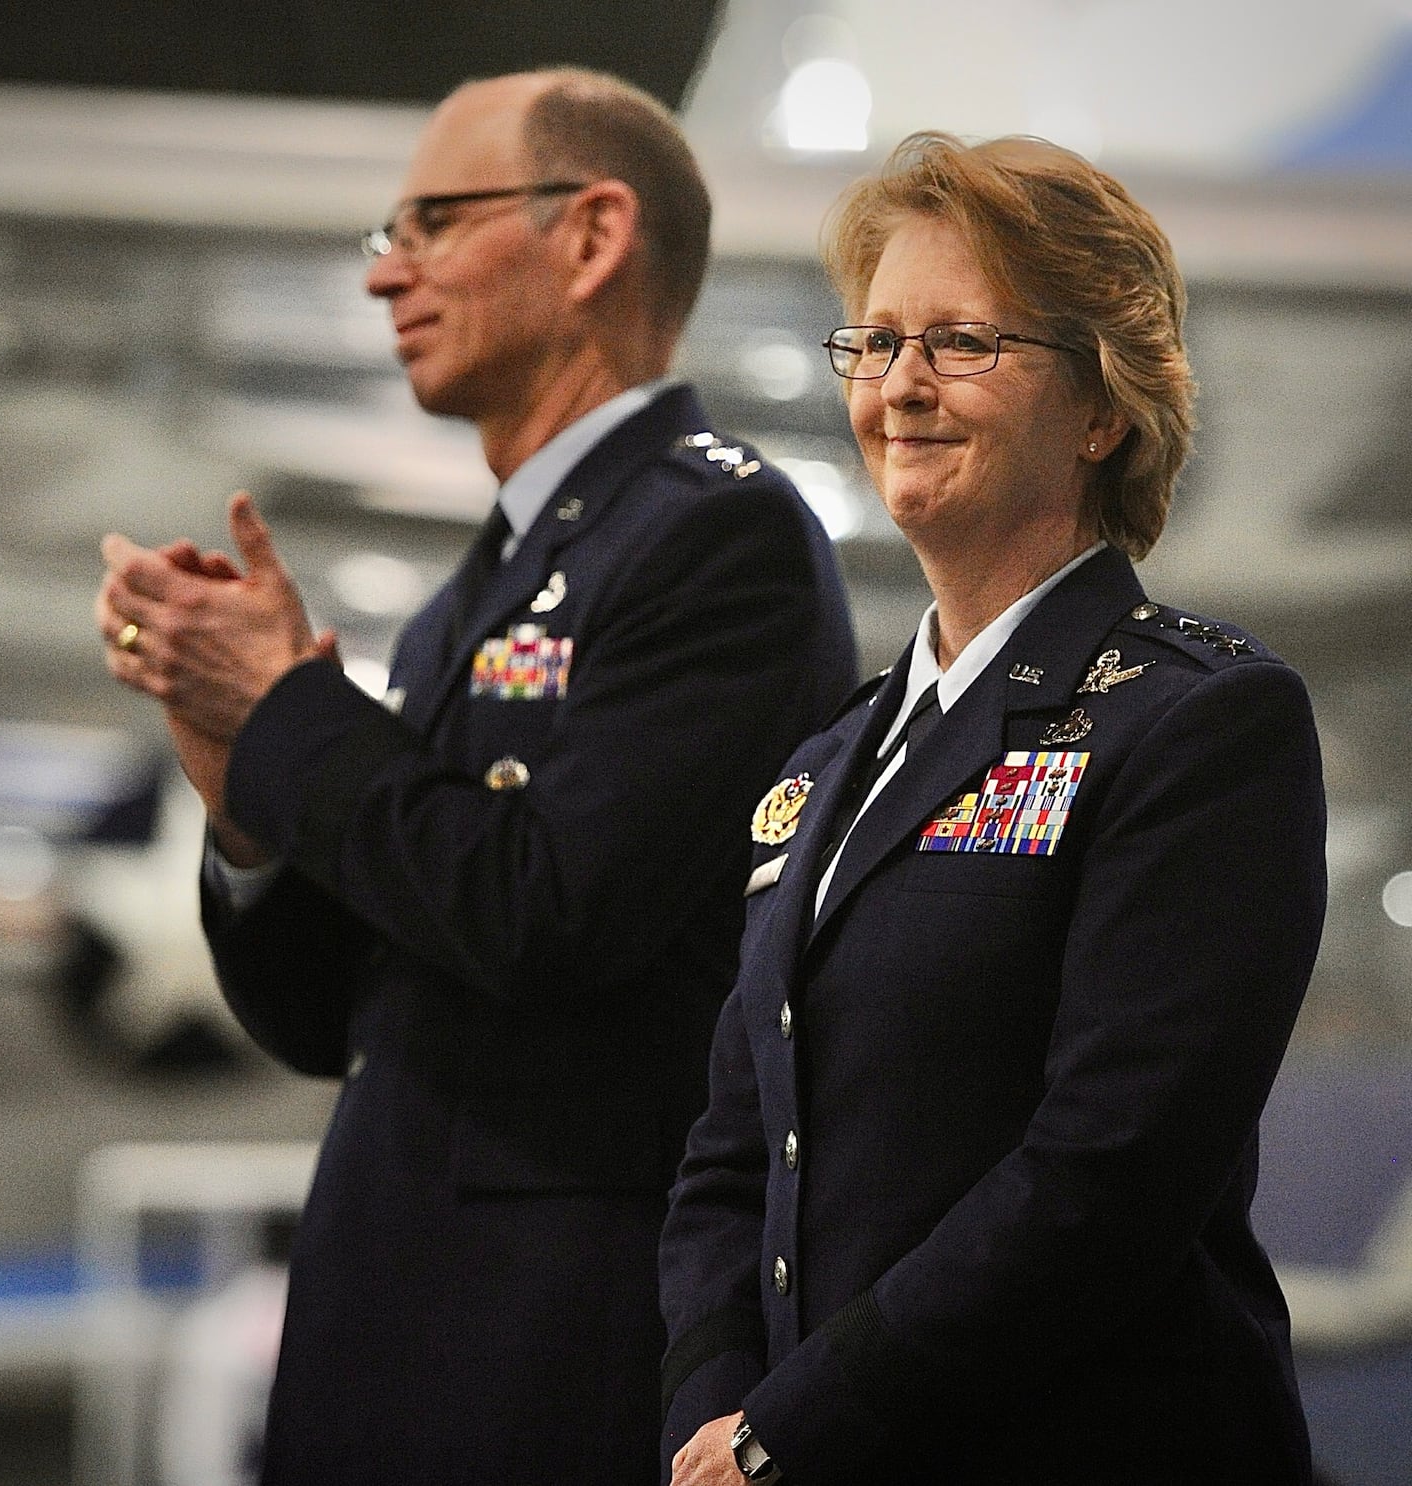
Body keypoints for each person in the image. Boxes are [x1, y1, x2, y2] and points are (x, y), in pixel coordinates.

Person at [95, 67, 857, 1485]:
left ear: (591, 235)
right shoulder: (488, 585)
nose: (389, 271)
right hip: (401, 1321)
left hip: (549, 1344)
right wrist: (243, 784)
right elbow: (336, 1012)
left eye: (435, 220)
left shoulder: (717, 536)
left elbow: (542, 911)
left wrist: (294, 711)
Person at [659, 132, 1328, 1486]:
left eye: (961, 342)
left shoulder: (1201, 722)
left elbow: (1108, 1175)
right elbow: (731, 1157)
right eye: (877, 341)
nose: (899, 385)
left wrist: (794, 1427)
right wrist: (711, 1411)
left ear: (1103, 408)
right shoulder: (827, 762)